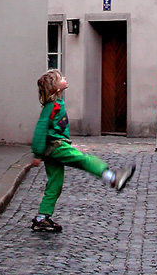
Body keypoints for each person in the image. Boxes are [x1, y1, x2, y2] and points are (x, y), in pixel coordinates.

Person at [30, 68, 136, 232]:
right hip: (55, 146)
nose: (65, 78)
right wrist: (36, 153)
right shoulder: (51, 107)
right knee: (84, 160)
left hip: (52, 149)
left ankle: (42, 216)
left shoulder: (57, 104)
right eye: (60, 78)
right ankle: (112, 178)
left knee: (55, 184)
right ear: (56, 87)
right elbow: (40, 128)